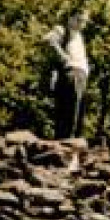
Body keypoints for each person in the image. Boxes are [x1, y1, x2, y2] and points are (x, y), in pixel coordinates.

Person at [42, 8, 90, 140]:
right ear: (70, 19)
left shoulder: (79, 36)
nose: (81, 24)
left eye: (84, 21)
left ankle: (72, 142)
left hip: (81, 75)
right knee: (69, 112)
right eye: (79, 20)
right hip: (71, 73)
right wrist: (63, 56)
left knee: (78, 114)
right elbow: (48, 39)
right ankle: (66, 143)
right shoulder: (62, 30)